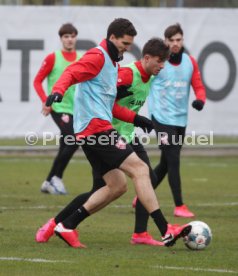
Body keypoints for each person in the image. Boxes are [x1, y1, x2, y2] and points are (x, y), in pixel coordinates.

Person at [35, 18, 191, 249]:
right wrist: (57, 92)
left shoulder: (112, 62)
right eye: (124, 44)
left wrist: (137, 119)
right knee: (141, 170)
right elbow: (70, 72)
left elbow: (111, 106)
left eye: (129, 45)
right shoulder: (98, 56)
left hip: (96, 129)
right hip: (96, 129)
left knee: (116, 186)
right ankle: (165, 229)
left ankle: (66, 226)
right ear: (112, 38)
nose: (127, 49)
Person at [147, 23, 206, 218]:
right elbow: (142, 82)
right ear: (165, 41)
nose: (175, 43)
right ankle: (179, 205)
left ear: (182, 40)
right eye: (171, 40)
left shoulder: (190, 62)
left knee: (165, 163)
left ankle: (142, 196)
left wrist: (200, 99)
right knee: (174, 159)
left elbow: (198, 85)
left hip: (180, 120)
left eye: (178, 40)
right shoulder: (158, 63)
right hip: (161, 118)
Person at [33, 23, 81, 195]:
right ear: (61, 39)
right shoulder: (53, 57)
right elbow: (37, 81)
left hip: (76, 109)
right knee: (74, 139)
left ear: (76, 37)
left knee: (66, 145)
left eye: (72, 36)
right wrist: (47, 102)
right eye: (66, 36)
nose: (69, 39)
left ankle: (48, 181)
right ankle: (57, 178)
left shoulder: (82, 57)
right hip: (59, 107)